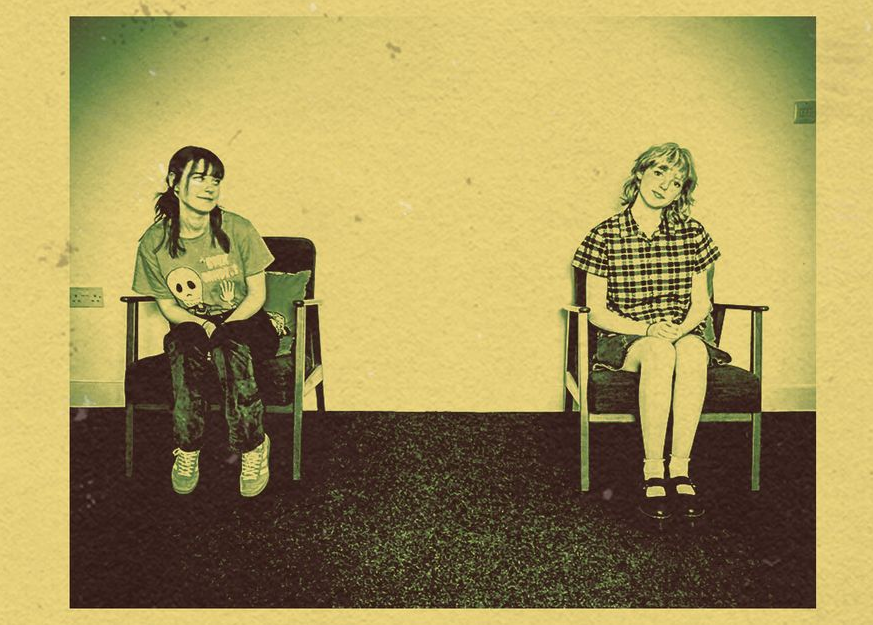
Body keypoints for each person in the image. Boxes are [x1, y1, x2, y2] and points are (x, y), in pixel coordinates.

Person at [571, 142, 730, 525]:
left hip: (682, 330)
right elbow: (596, 310)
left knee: (690, 352)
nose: (664, 186)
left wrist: (678, 330)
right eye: (659, 173)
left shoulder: (692, 232)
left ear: (682, 192)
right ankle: (653, 471)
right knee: (659, 352)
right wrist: (648, 330)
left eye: (676, 182)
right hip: (628, 337)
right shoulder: (604, 234)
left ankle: (681, 469)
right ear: (641, 173)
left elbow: (702, 302)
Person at [132, 146, 279, 497]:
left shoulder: (239, 228)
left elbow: (256, 295)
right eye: (199, 178)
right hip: (194, 323)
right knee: (181, 344)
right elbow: (168, 305)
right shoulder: (153, 243)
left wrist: (221, 329)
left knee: (230, 344)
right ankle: (187, 447)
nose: (210, 186)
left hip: (247, 320)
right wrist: (204, 327)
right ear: (174, 182)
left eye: (216, 179)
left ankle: (253, 445)